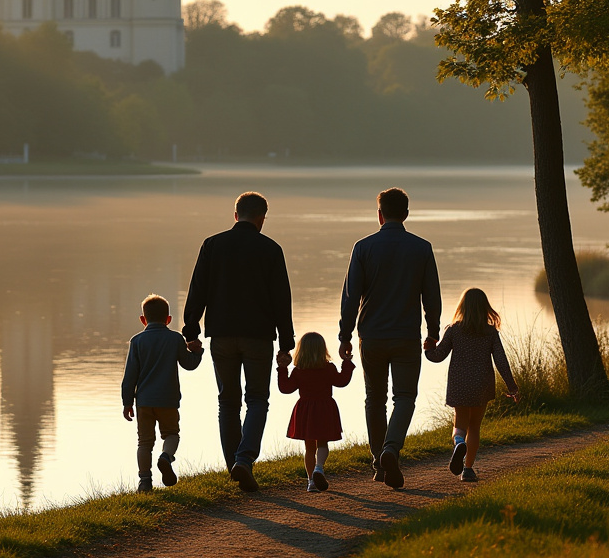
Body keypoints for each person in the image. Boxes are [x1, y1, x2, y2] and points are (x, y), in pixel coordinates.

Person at [183, 191, 295, 493]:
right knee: (257, 399)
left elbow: (198, 289)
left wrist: (191, 330)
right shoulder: (270, 249)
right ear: (262, 218)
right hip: (258, 336)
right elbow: (281, 298)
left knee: (227, 402)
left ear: (236, 215)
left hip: (221, 334)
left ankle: (234, 463)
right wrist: (286, 342)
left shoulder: (212, 245)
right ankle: (244, 460)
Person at [339, 186, 442, 491]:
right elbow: (431, 296)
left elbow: (351, 297)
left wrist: (345, 335)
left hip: (371, 336)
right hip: (406, 336)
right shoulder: (422, 248)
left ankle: (379, 462)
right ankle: (391, 450)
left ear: (379, 214)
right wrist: (433, 332)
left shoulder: (363, 247)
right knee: (405, 397)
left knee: (375, 398)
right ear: (406, 214)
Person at [424, 287, 519, 482]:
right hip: (482, 385)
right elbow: (501, 361)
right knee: (474, 426)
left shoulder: (454, 330)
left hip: (459, 384)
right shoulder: (490, 332)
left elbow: (438, 356)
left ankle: (459, 442)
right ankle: (467, 469)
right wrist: (512, 387)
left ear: (463, 307)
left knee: (460, 423)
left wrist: (428, 349)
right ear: (485, 308)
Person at [121, 293, 204, 493]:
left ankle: (145, 481)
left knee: (144, 442)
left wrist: (127, 402)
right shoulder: (175, 339)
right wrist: (197, 352)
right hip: (168, 399)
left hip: (144, 402)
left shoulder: (137, 341)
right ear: (168, 319)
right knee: (172, 434)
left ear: (143, 319)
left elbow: (130, 376)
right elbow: (189, 364)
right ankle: (166, 457)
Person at [277, 331, 355, 492]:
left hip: (305, 411)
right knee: (322, 443)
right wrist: (347, 363)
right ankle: (319, 468)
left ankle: (311, 481)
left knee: (309, 447)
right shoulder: (328, 368)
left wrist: (282, 369)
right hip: (325, 409)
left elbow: (285, 388)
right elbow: (342, 381)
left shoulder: (299, 371)